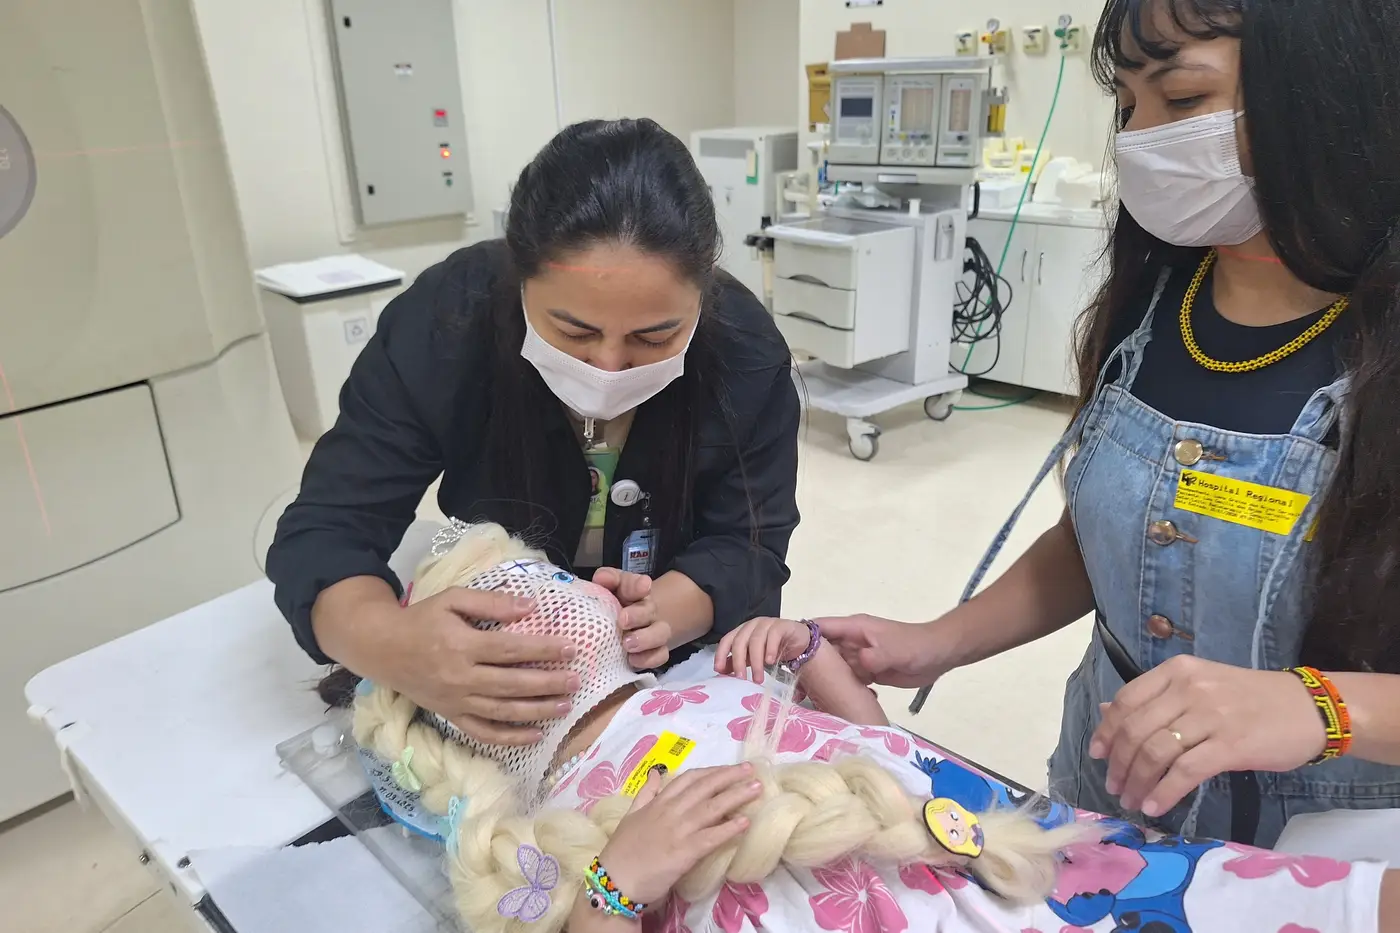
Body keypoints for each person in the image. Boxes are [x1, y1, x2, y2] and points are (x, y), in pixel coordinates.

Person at [805, 0, 1400, 848]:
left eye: (1182, 99)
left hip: (1311, 842)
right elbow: (1106, 542)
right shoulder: (1158, 304)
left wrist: (1323, 706)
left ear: (1330, 91)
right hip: (1108, 794)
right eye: (1126, 105)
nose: (1140, 139)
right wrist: (939, 642)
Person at [340, 521, 1398, 933]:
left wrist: (814, 658)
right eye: (494, 611)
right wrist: (620, 883)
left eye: (547, 580)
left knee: (1283, 904)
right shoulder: (538, 830)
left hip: (1007, 854)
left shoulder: (704, 681)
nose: (549, 608)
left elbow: (886, 749)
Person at [266, 118, 801, 748]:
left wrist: (665, 614)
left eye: (655, 337)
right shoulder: (449, 320)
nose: (609, 366)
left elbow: (751, 543)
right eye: (573, 331)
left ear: (701, 298)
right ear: (520, 281)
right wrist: (391, 643)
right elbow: (328, 527)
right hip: (496, 636)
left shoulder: (745, 352)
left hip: (673, 672)